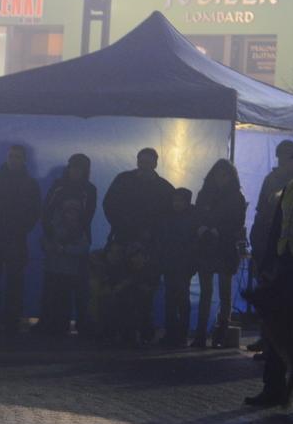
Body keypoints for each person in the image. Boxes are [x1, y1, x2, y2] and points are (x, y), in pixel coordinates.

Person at [245, 142, 293, 406]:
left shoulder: (289, 187)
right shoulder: (291, 188)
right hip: (286, 266)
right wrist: (269, 261)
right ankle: (273, 388)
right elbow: (278, 227)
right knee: (277, 330)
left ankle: (276, 389)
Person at [102, 148, 175, 344]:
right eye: (142, 162)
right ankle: (131, 330)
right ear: (138, 161)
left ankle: (137, 329)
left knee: (143, 289)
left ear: (155, 164)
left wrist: (130, 229)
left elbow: (109, 205)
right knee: (126, 286)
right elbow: (109, 205)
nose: (144, 165)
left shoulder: (127, 181)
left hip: (141, 243)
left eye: (147, 162)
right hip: (133, 241)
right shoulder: (163, 187)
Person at [0, 145, 41, 338]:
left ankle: (9, 322)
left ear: (24, 159)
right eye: (11, 156)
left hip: (13, 239)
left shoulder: (28, 184)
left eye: (17, 157)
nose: (13, 159)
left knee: (13, 283)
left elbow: (34, 212)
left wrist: (20, 229)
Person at [35, 154, 97, 335]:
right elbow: (46, 212)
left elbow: (87, 217)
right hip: (57, 238)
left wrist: (68, 239)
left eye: (79, 168)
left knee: (78, 286)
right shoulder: (59, 186)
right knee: (53, 285)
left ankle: (78, 323)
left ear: (85, 170)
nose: (75, 171)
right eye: (73, 167)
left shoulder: (89, 189)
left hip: (76, 239)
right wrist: (51, 235)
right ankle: (52, 322)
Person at [193, 159, 248, 348]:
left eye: (224, 175)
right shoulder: (232, 196)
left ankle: (214, 335)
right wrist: (206, 229)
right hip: (214, 247)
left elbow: (238, 222)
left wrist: (208, 229)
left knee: (220, 293)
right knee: (212, 293)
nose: (221, 178)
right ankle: (206, 335)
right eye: (219, 174)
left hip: (221, 247)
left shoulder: (232, 197)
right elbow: (198, 215)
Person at [250, 140, 293, 279]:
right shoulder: (271, 179)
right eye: (281, 159)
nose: (284, 163)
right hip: (270, 239)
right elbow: (262, 210)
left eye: (288, 159)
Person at [159, 188, 200, 348]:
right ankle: (177, 334)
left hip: (180, 264)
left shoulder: (171, 218)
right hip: (176, 264)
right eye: (175, 200)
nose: (176, 203)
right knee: (175, 299)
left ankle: (177, 334)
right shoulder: (189, 218)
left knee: (176, 299)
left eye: (179, 201)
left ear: (186, 202)